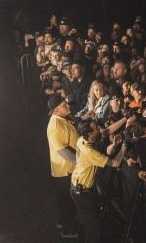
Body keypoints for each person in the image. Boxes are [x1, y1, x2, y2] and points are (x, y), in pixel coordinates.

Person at [70, 119, 125, 243]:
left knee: (90, 222)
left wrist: (126, 119)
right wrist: (125, 146)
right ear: (90, 133)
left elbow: (106, 131)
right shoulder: (89, 152)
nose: (99, 129)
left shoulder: (82, 139)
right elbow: (116, 163)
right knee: (93, 230)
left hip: (81, 188)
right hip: (82, 193)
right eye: (96, 128)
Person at [46, 96, 79, 239]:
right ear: (56, 110)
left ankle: (64, 222)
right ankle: (68, 229)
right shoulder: (55, 126)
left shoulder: (60, 120)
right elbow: (62, 151)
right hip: (65, 171)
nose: (68, 106)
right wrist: (80, 162)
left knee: (65, 200)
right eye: (64, 105)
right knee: (68, 201)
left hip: (66, 170)